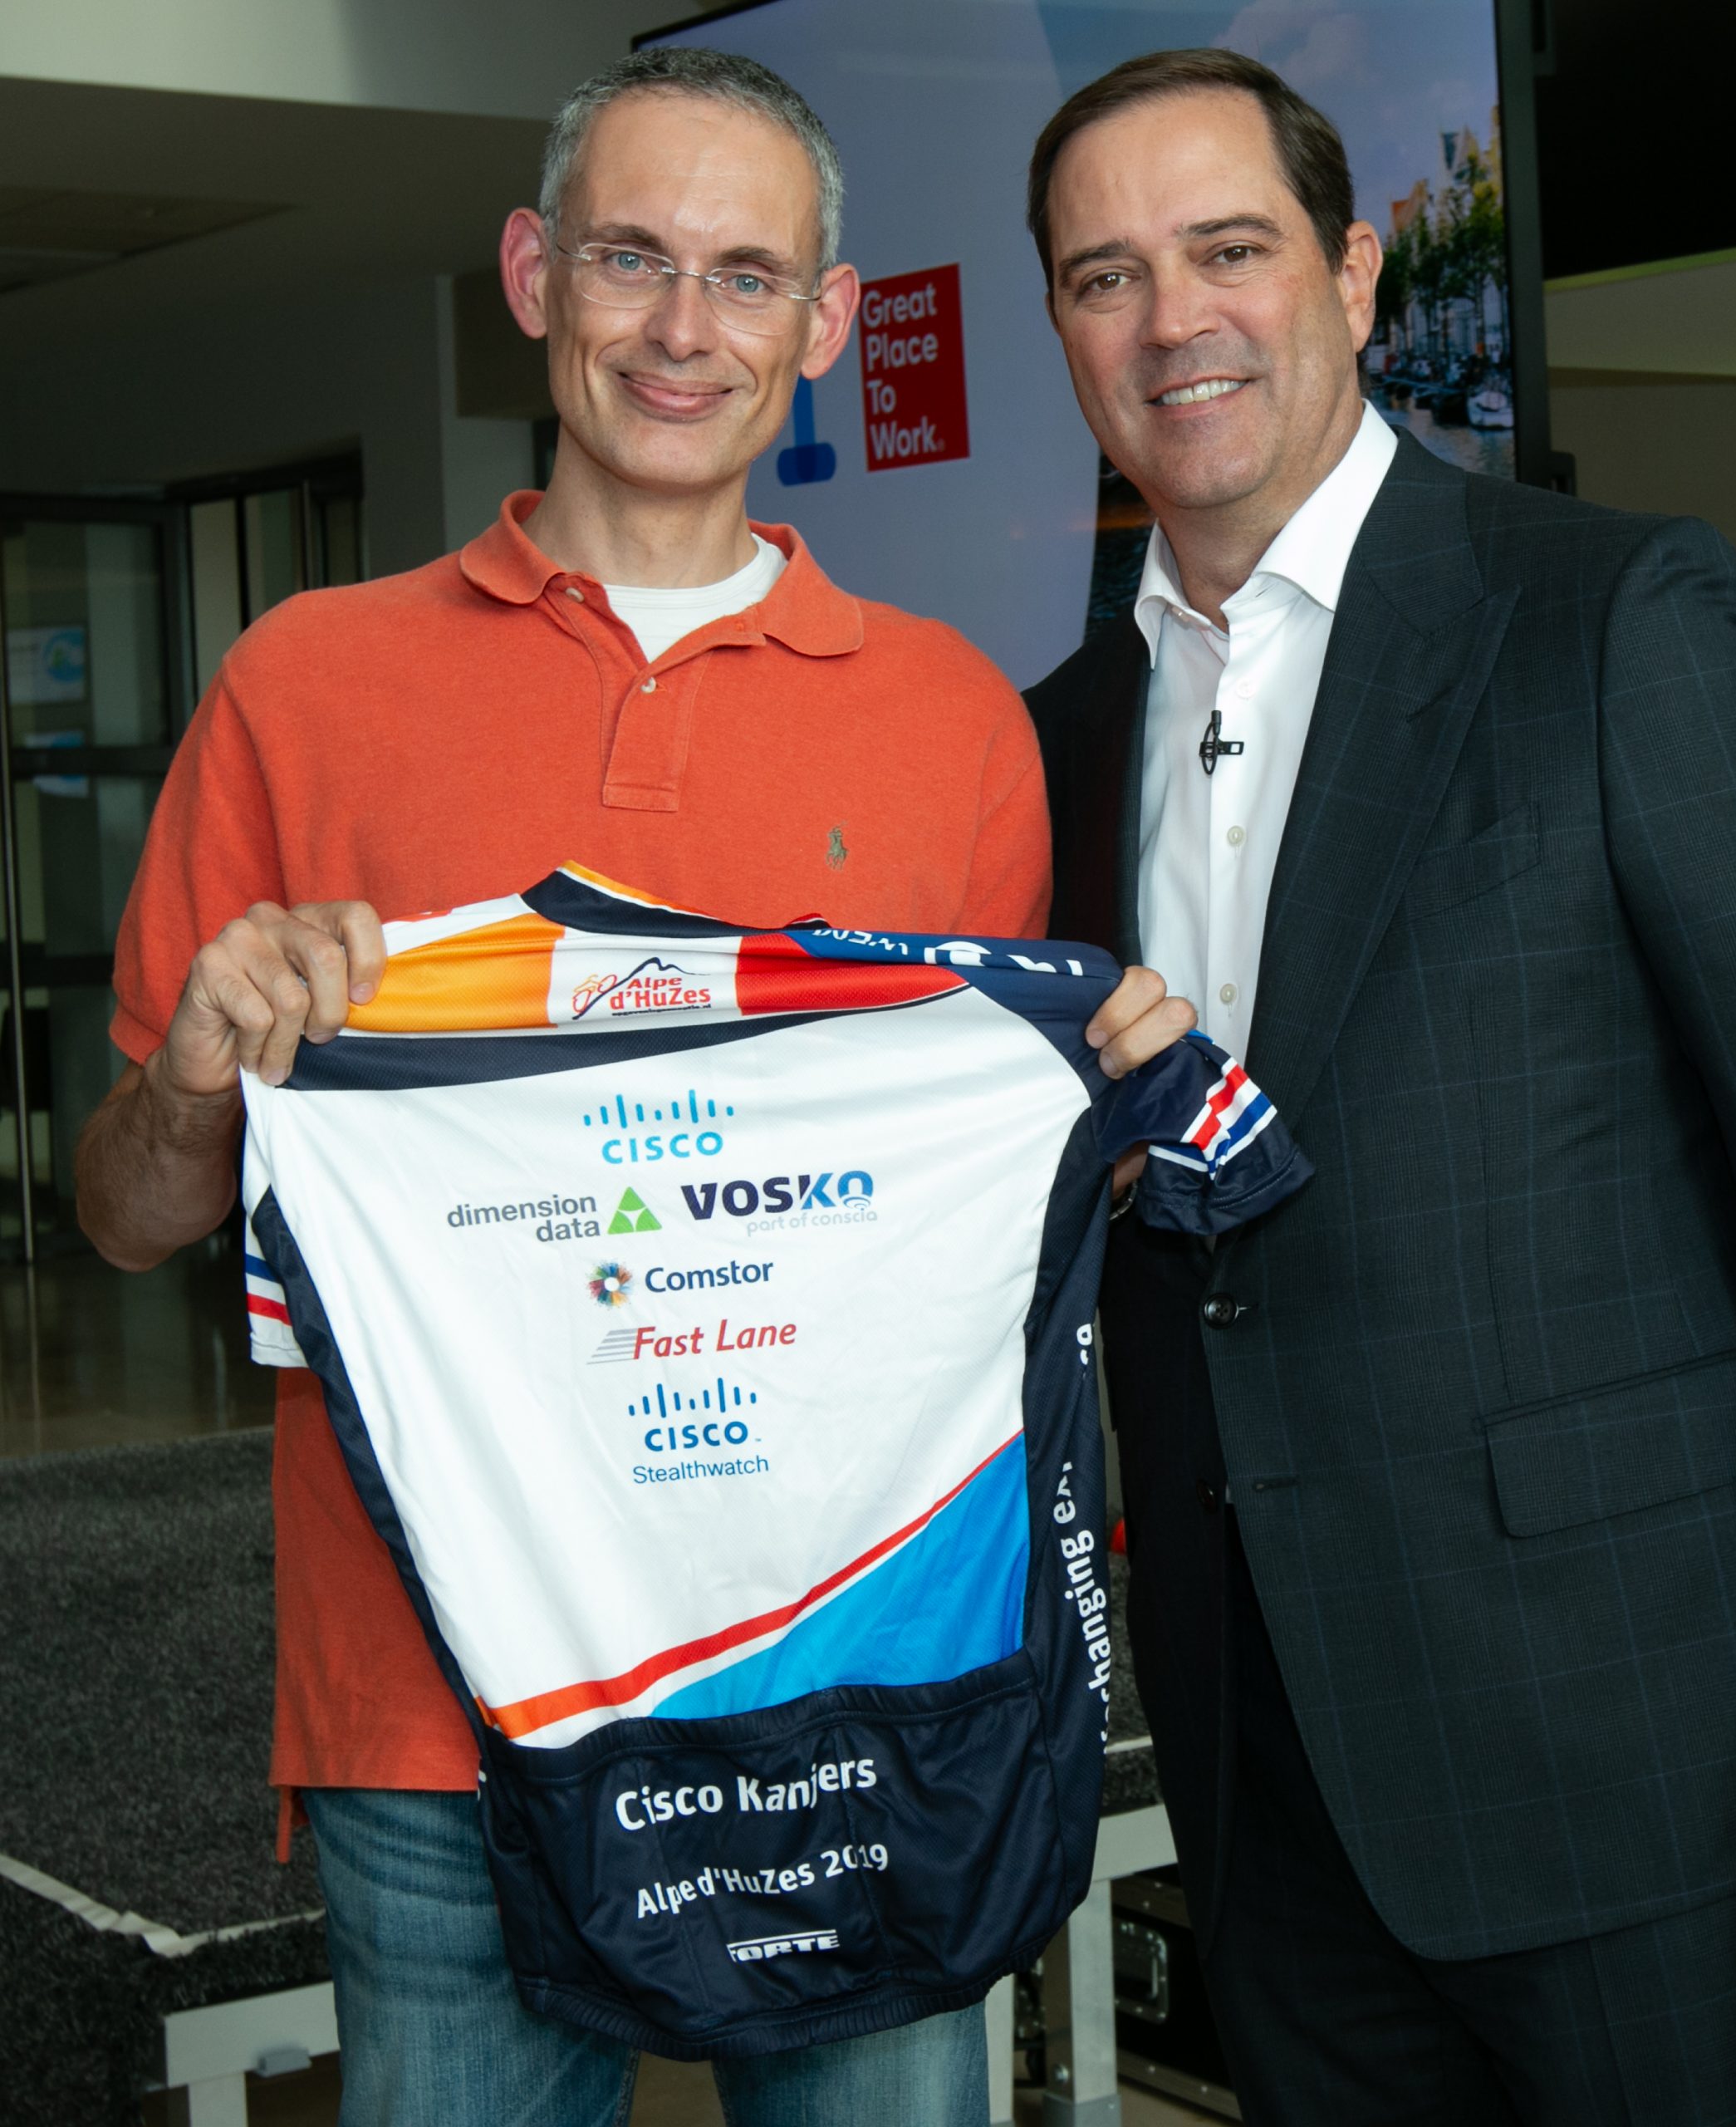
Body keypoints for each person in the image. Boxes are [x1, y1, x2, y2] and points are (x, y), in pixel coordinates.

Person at [75, 45, 1181, 2127]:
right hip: (437, 1711)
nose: (684, 328)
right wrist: (202, 1071)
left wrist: (1114, 1111)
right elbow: (129, 1218)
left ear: (825, 323)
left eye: (747, 276)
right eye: (630, 258)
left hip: (857, 1681)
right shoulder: (301, 682)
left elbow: (979, 1241)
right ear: (531, 274)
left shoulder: (953, 722)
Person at [1023, 48, 1736, 2126]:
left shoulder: (1612, 615)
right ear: (1062, 331)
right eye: (1105, 276)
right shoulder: (1060, 733)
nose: (1172, 319)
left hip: (1632, 1759)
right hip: (1260, 1770)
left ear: (1351, 274)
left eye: (1227, 249)